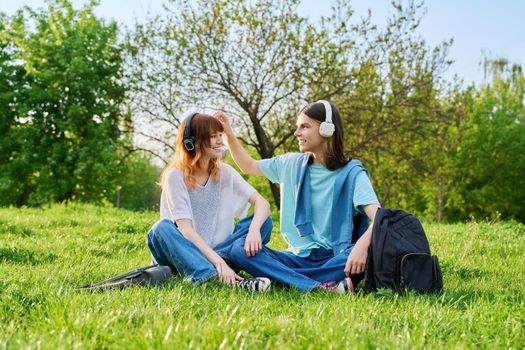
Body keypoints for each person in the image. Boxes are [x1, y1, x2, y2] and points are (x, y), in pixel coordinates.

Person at [214, 101, 381, 292]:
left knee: (366, 254)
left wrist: (361, 245)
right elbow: (248, 165)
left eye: (305, 126)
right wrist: (228, 134)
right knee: (239, 249)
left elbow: (380, 219)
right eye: (297, 127)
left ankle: (285, 278)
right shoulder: (289, 164)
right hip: (295, 257)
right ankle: (321, 286)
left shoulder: (352, 174)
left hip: (335, 257)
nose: (297, 133)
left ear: (327, 129)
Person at [147, 113, 272, 291]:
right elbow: (186, 230)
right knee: (160, 229)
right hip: (183, 253)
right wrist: (219, 263)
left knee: (263, 222)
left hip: (219, 253)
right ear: (192, 141)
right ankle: (216, 277)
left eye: (220, 135)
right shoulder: (175, 176)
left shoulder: (225, 171)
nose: (220, 141)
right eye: (213, 136)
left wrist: (253, 230)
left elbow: (262, 203)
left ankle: (214, 271)